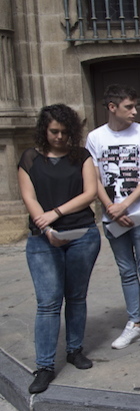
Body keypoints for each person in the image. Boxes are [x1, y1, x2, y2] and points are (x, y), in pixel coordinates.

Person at [18, 104, 101, 394]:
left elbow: (90, 193)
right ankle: (44, 366)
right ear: (45, 129)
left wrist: (56, 212)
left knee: (76, 296)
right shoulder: (30, 158)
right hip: (43, 239)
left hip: (82, 234)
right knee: (48, 302)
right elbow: (29, 198)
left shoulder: (81, 156)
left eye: (66, 132)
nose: (60, 137)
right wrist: (48, 227)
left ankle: (75, 350)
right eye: (54, 131)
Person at [85, 84, 140, 351]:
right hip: (112, 218)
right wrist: (109, 208)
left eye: (134, 105)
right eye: (129, 106)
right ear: (112, 107)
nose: (134, 111)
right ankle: (134, 322)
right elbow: (93, 177)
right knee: (126, 272)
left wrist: (126, 205)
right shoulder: (95, 137)